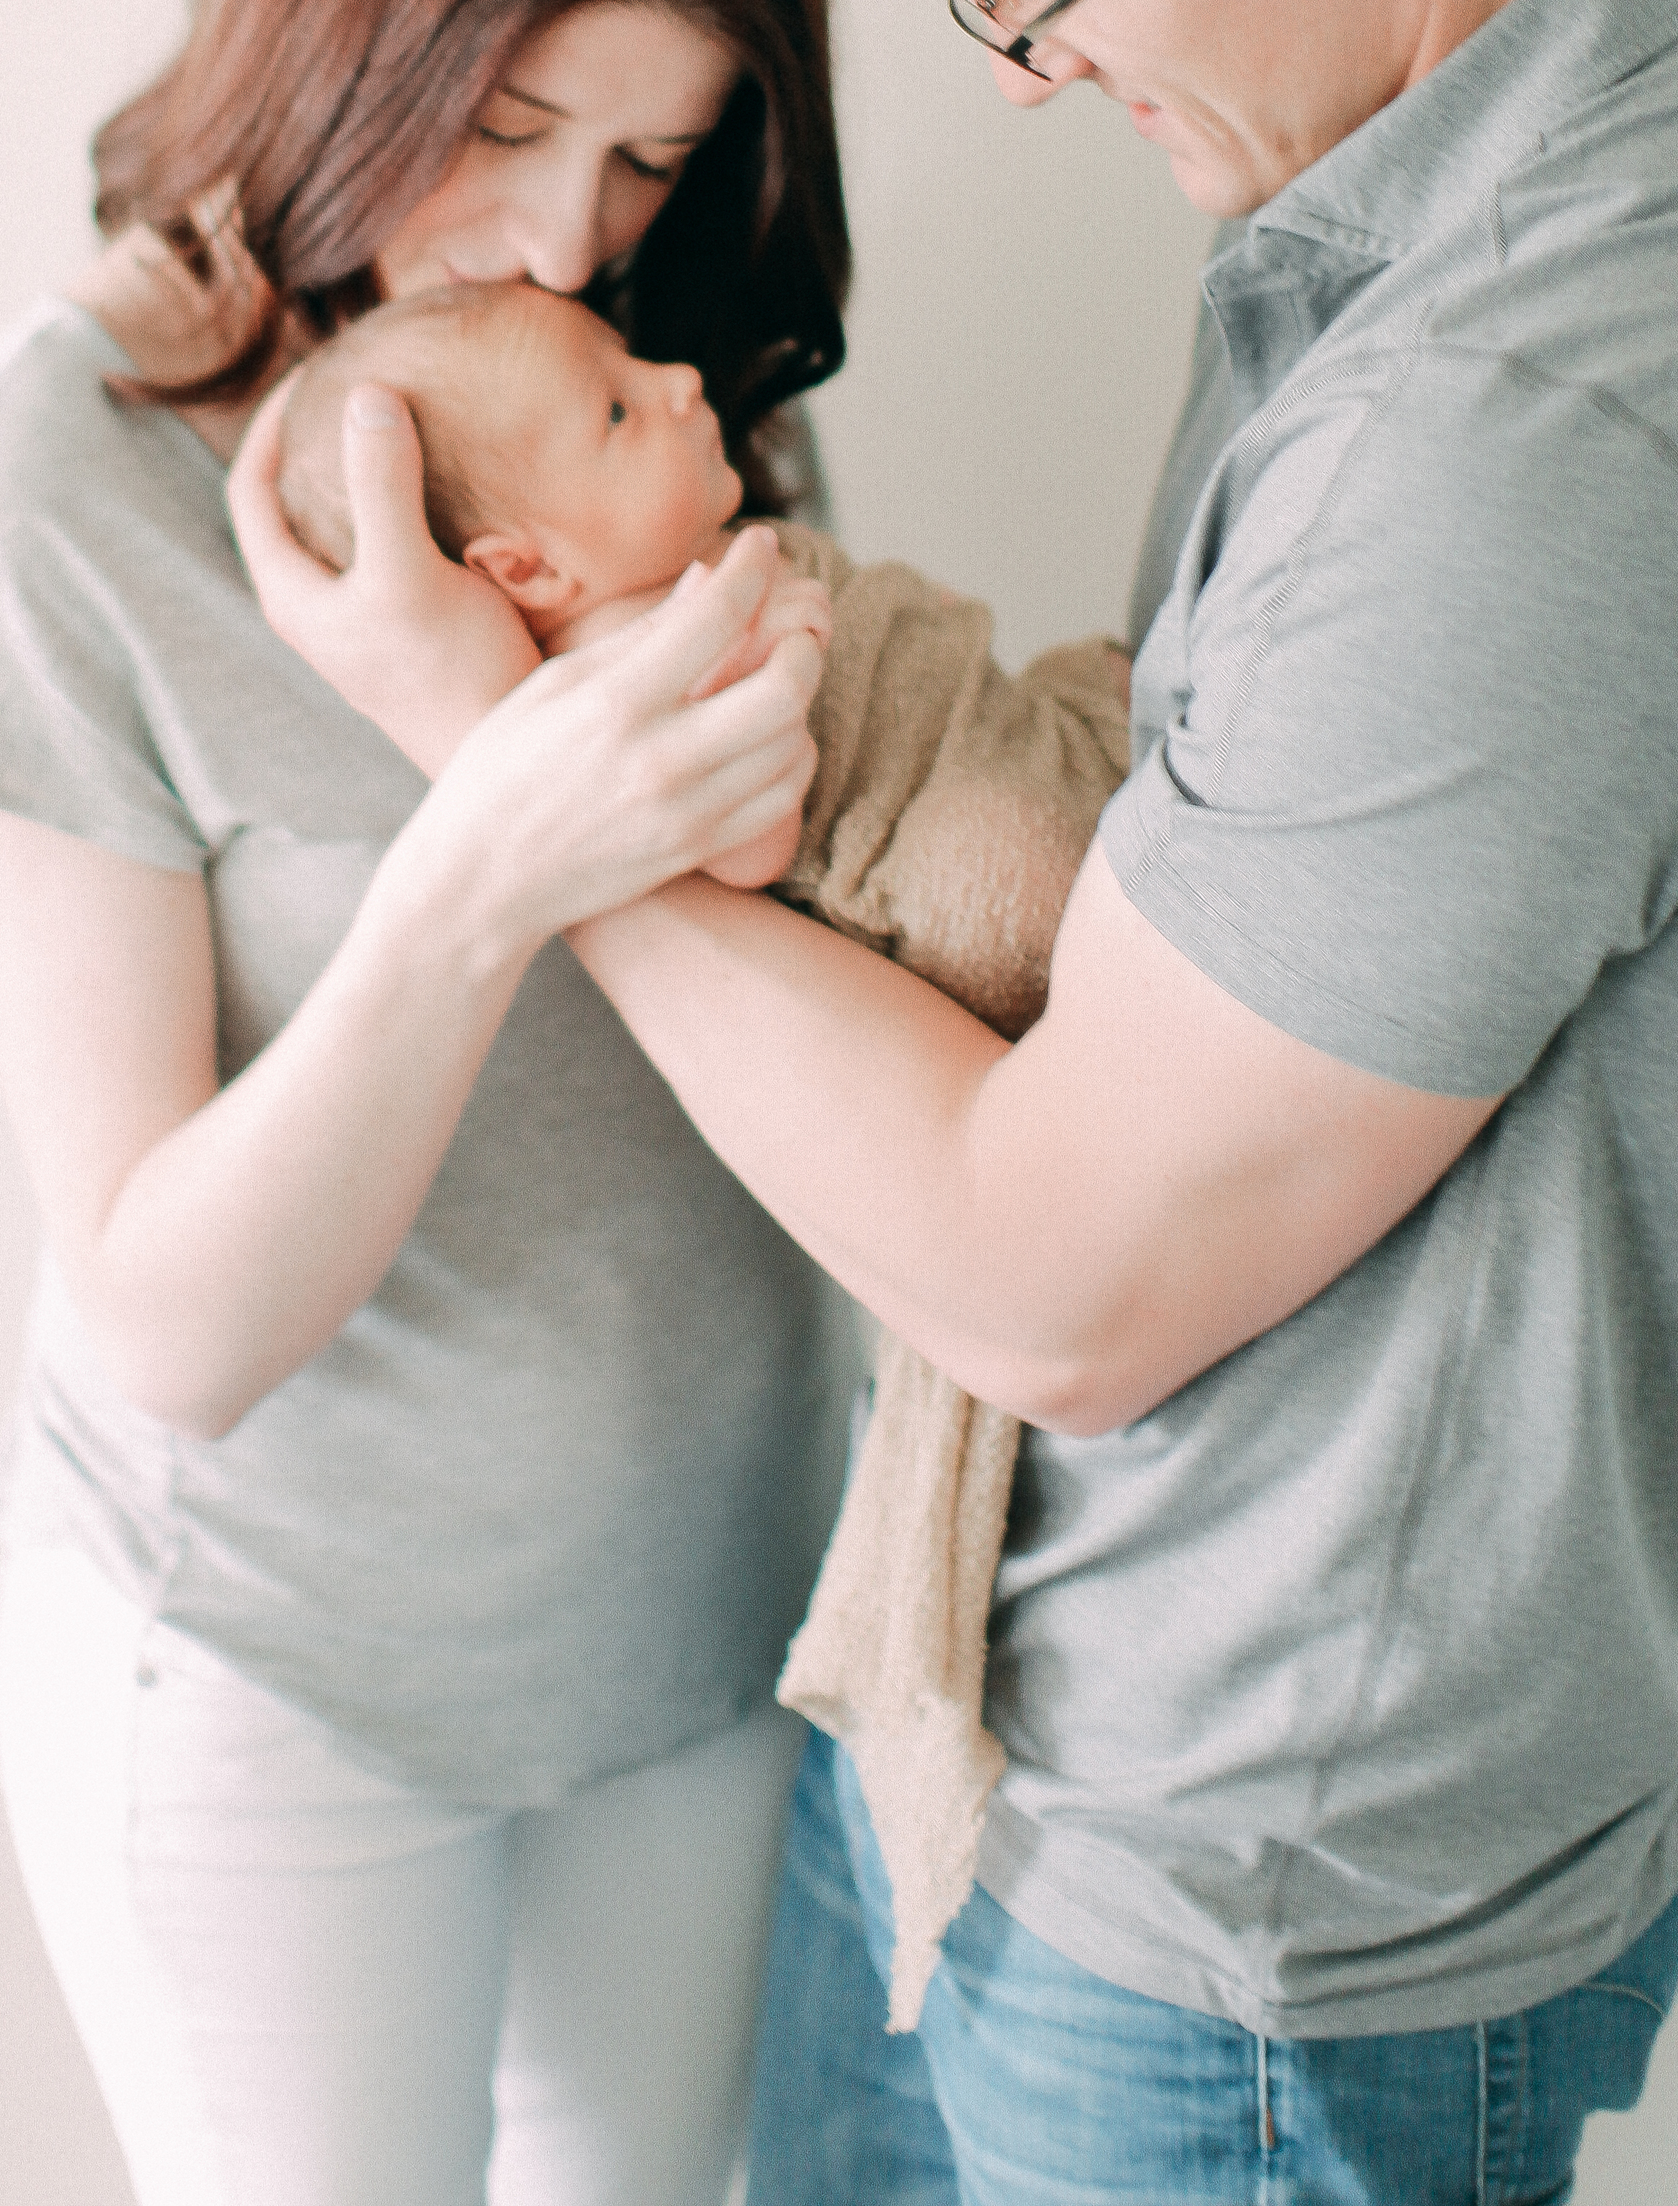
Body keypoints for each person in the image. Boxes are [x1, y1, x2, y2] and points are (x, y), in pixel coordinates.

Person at [232, 0, 1678, 2206]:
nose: (1027, 82)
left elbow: (1066, 1276)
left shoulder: (1540, 420)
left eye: (1032, 0)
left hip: (1245, 1920)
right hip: (1011, 1744)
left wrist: (508, 760)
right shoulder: (1378, 196)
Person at [0, 0, 864, 2206]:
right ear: (346, 27)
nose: (564, 234)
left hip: (705, 1627)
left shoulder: (679, 405)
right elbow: (169, 1313)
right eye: (511, 121)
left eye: (650, 153)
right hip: (276, 1679)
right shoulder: (59, 483)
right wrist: (488, 817)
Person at [281, 272, 1131, 2007]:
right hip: (963, 870)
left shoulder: (667, 573)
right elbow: (738, 846)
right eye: (612, 406)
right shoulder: (622, 665)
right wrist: (789, 670)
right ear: (528, 575)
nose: (677, 377)